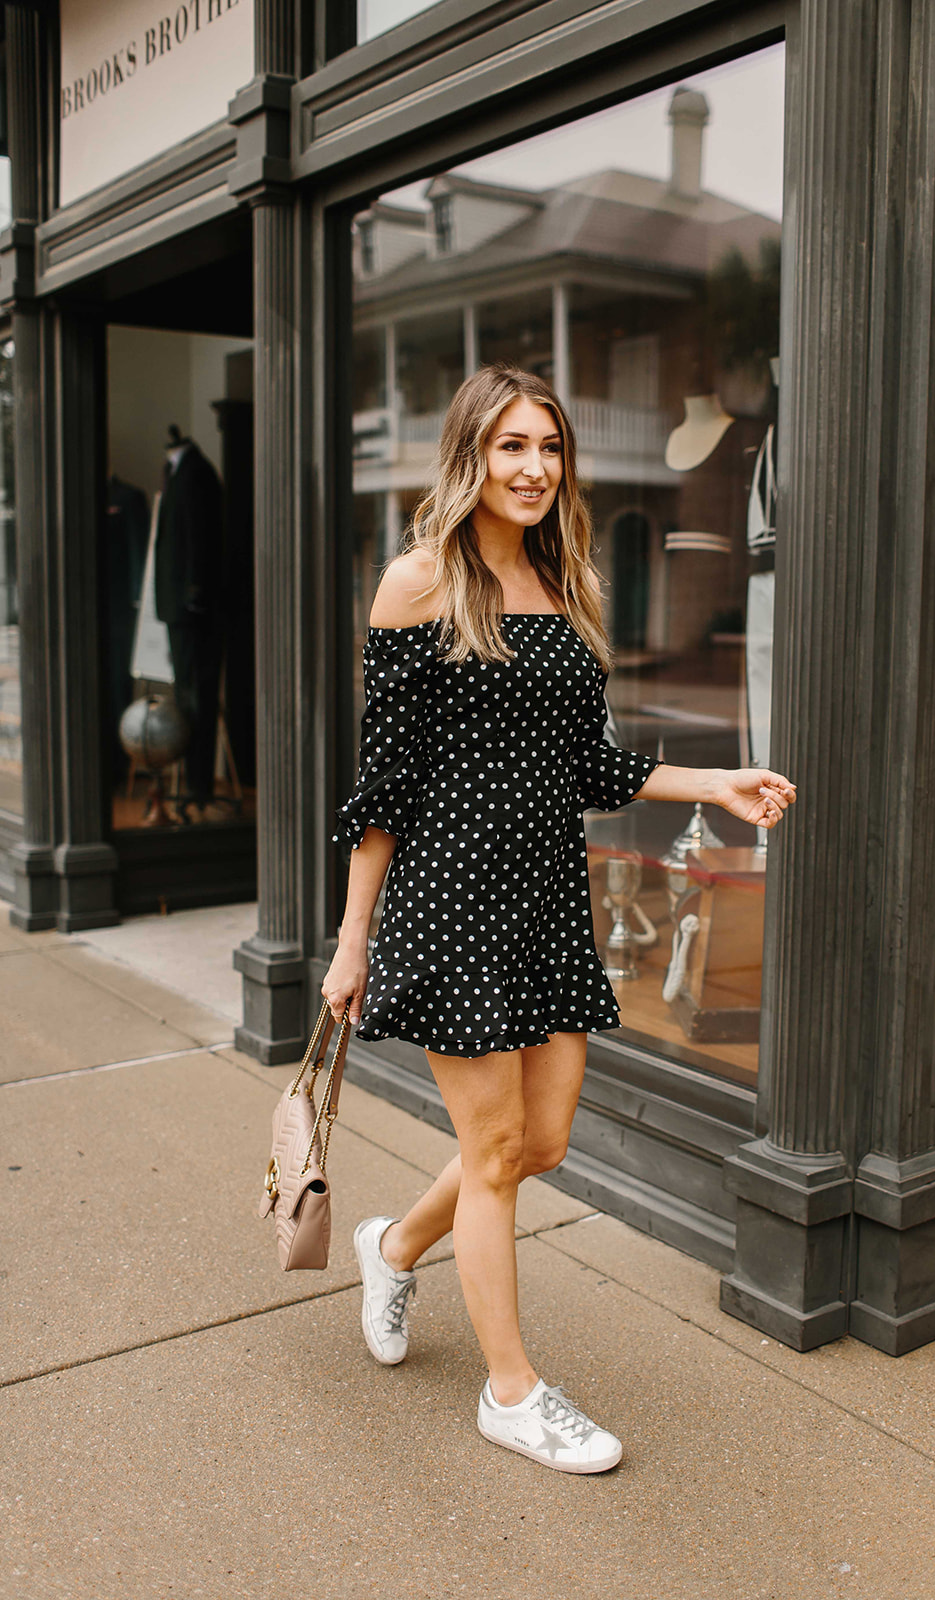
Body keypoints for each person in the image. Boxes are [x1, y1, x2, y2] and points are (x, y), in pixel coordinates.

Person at [323, 363, 796, 1475]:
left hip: (541, 895)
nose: (533, 467)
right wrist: (354, 939)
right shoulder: (417, 582)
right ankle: (512, 1392)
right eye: (509, 447)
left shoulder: (563, 578)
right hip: (448, 902)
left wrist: (715, 780)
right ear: (469, 457)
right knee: (490, 1150)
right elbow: (381, 787)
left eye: (547, 446)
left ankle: (391, 1247)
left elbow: (587, 763)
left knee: (538, 1143)